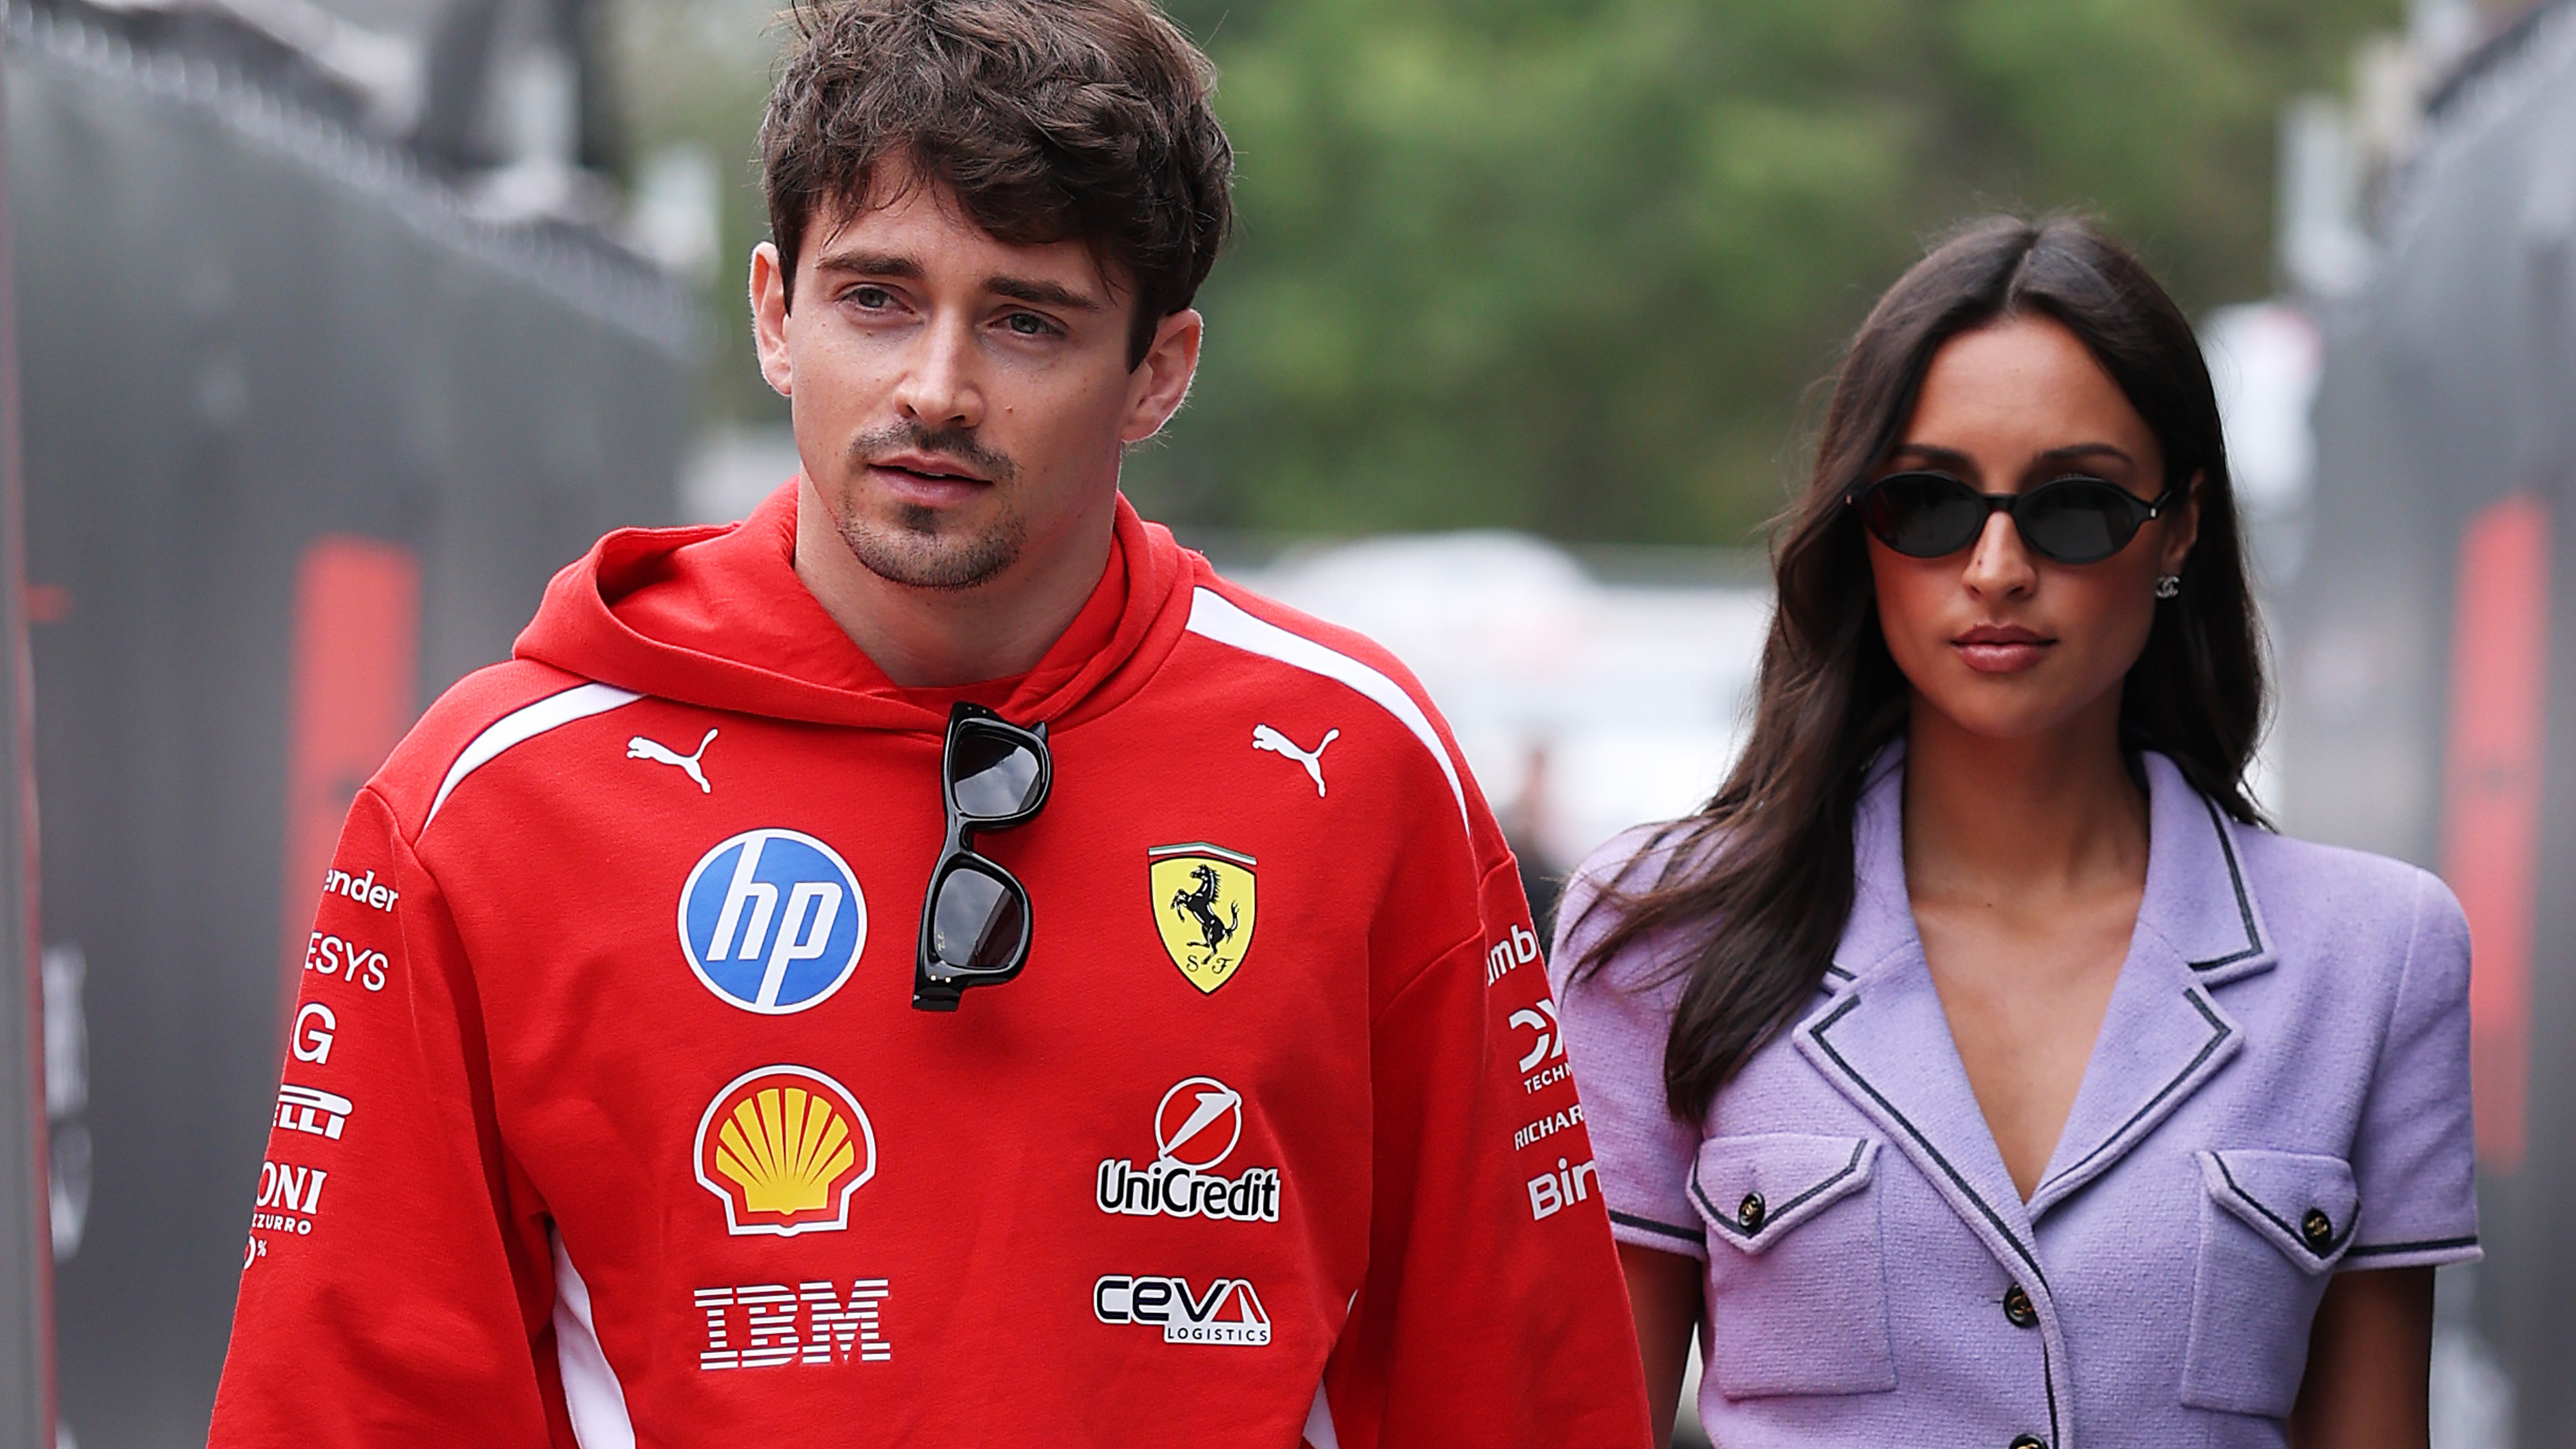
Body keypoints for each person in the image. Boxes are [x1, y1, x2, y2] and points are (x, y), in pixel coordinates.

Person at [207, 1, 1651, 1443]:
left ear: (1157, 371)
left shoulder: (1359, 766)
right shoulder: (487, 800)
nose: (936, 389)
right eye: (876, 299)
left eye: (1026, 321)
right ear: (775, 313)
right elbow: (347, 1408)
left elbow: (1523, 1394)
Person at [1553, 216, 2476, 1449]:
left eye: (2075, 505)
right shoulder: (1661, 930)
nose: (1995, 566)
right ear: (1859, 523)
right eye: (1928, 502)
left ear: (2179, 525)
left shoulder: (2373, 956)